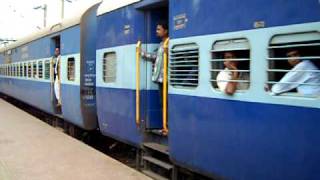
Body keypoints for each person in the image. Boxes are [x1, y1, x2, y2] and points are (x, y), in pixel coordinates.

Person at [141, 20, 169, 106]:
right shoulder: (162, 44)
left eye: (159, 29)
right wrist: (142, 53)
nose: (156, 31)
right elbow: (156, 56)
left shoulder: (169, 43)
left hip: (166, 79)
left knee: (166, 103)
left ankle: (167, 120)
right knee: (163, 103)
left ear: (166, 31)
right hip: (161, 79)